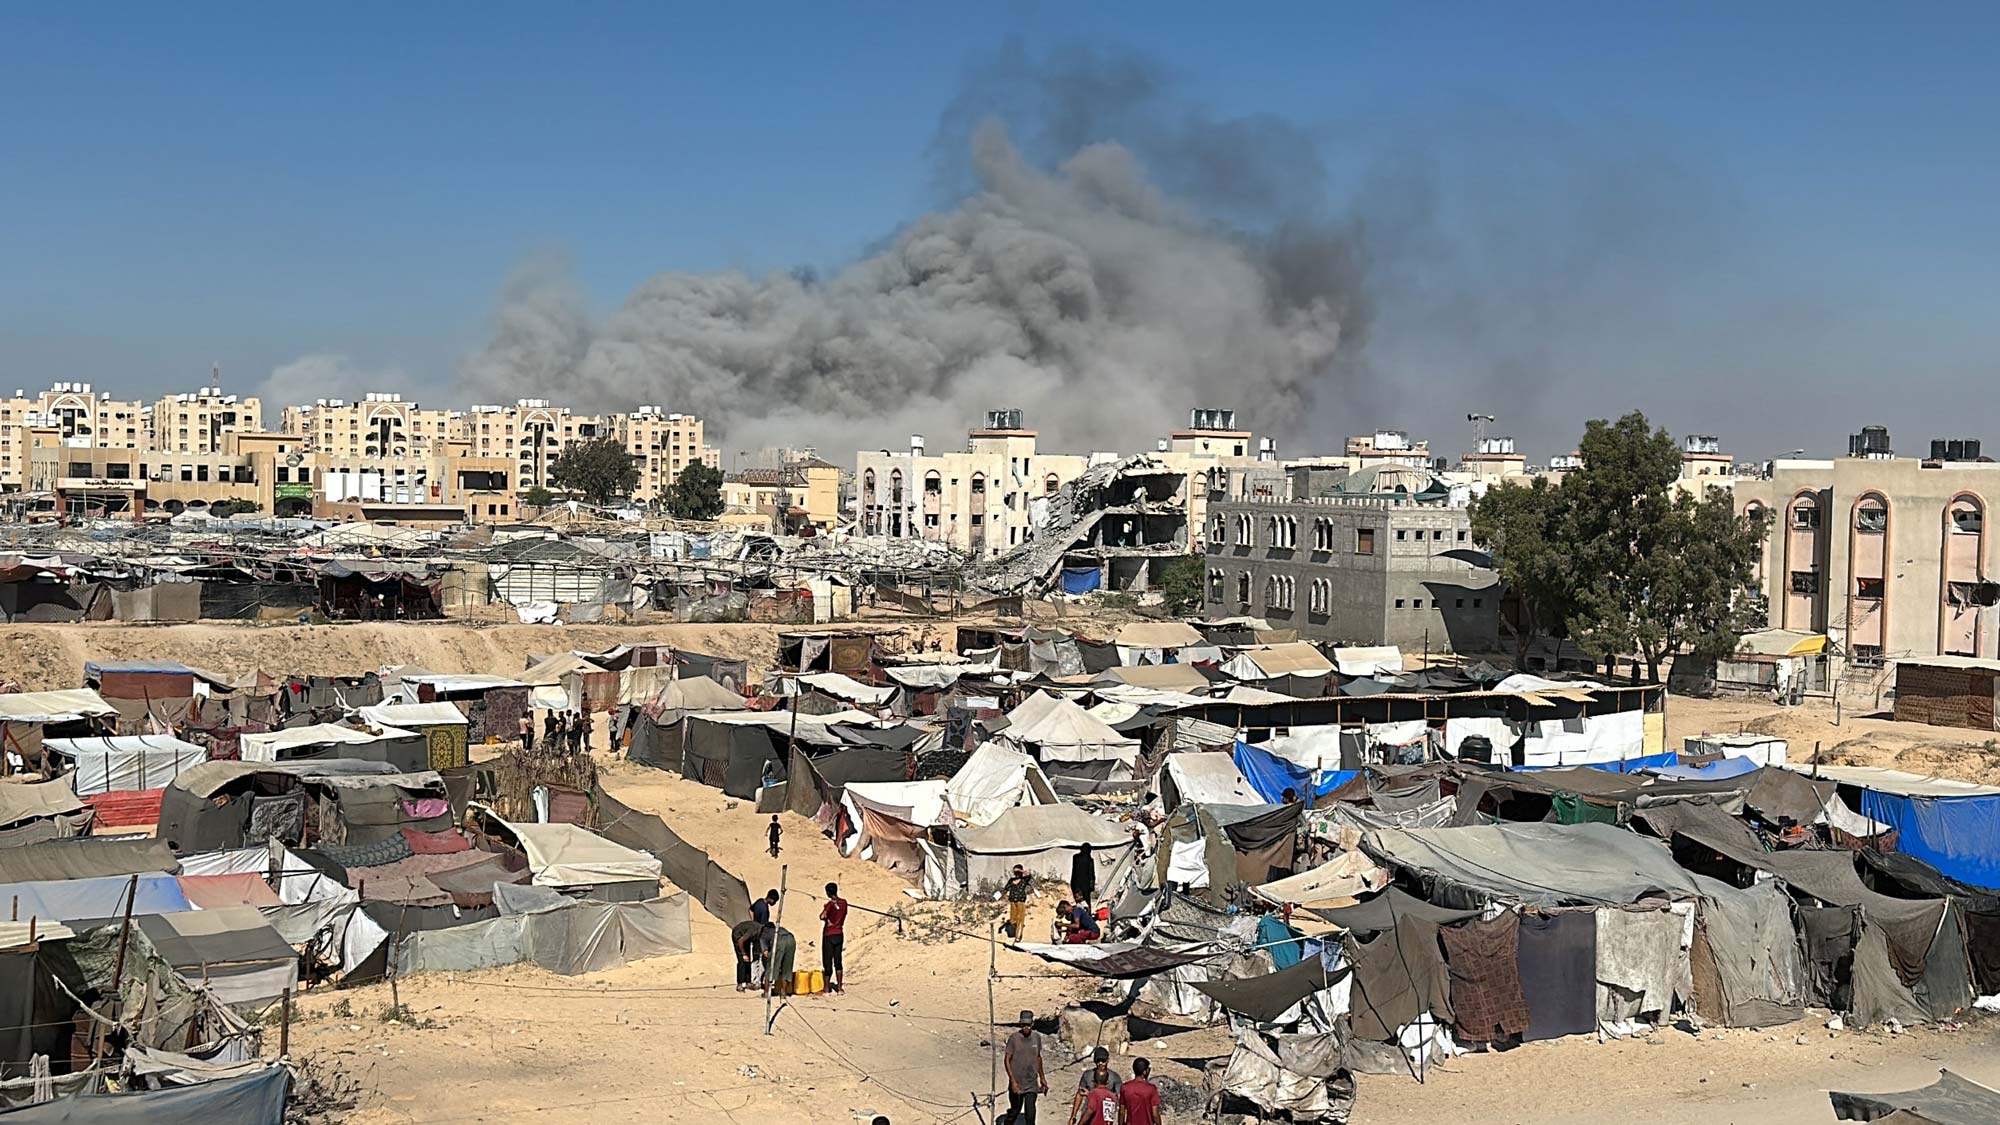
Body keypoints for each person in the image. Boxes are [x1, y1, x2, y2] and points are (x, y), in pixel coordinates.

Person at [1004, 1010, 1047, 1124]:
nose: (1026, 1027)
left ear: (1032, 1024)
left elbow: (1038, 1058)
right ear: (1020, 1024)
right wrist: (1012, 1081)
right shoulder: (1014, 1038)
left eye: (1028, 1025)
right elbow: (1007, 1060)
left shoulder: (1036, 1038)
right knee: (1015, 1111)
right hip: (1017, 1083)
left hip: (1031, 1082)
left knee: (1030, 1114)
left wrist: (1042, 1078)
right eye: (1023, 1025)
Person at [1067, 1047, 1121, 1125]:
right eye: (1098, 1061)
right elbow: (1079, 1094)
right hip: (1088, 1112)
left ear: (1107, 1060)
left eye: (1103, 1061)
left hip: (1104, 1115)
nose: (1100, 1063)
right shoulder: (1087, 1075)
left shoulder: (1115, 1077)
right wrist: (1073, 1116)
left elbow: (1119, 1098)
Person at [820, 882, 847, 992]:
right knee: (838, 961)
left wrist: (826, 911)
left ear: (828, 892)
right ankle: (840, 987)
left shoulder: (830, 904)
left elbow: (822, 916)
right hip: (839, 933)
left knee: (827, 961)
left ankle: (826, 988)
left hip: (829, 934)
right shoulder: (844, 903)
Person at [1119, 1057, 1162, 1125]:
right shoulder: (1151, 1089)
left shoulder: (1125, 1087)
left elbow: (1122, 1111)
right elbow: (1155, 1114)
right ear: (1144, 1072)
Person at [762, 923, 796, 996]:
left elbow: (766, 953)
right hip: (791, 939)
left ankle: (766, 992)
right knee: (787, 968)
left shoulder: (765, 933)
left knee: (771, 967)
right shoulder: (781, 929)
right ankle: (783, 992)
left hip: (779, 940)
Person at [731, 919, 763, 991]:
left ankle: (748, 982)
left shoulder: (762, 932)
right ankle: (740, 983)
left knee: (748, 960)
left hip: (746, 939)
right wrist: (744, 954)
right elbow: (740, 941)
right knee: (742, 960)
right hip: (738, 936)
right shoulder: (753, 931)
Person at [1003, 864, 1034, 939]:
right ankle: (1017, 930)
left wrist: (1021, 870)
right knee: (1012, 920)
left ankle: (1018, 936)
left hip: (1021, 901)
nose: (1016, 873)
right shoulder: (1011, 880)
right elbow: (1006, 889)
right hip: (1012, 901)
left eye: (1017, 871)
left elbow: (1029, 875)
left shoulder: (1024, 880)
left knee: (1020, 919)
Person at [1070, 843, 1095, 908]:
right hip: (1085, 884)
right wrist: (1092, 886)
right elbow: (1091, 873)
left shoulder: (1075, 857)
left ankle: (1079, 913)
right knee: (1086, 901)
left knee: (1078, 899)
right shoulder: (1089, 860)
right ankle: (1086, 915)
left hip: (1075, 883)